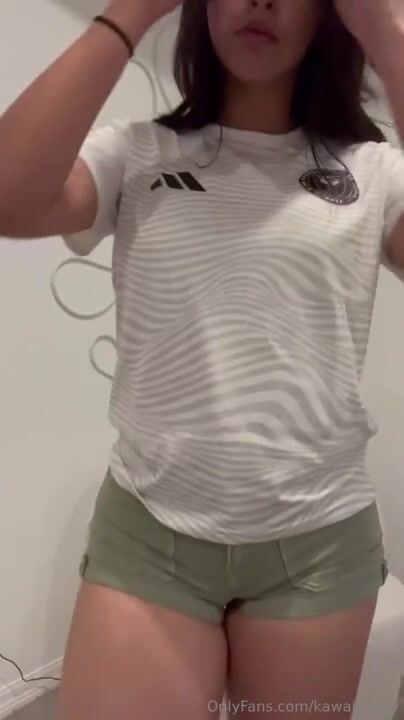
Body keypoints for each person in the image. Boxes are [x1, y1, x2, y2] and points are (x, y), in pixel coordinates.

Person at [1, 0, 404, 717]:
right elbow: (9, 197)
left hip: (317, 550)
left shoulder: (372, 170)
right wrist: (131, 15)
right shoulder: (136, 152)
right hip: (150, 541)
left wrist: (384, 30)